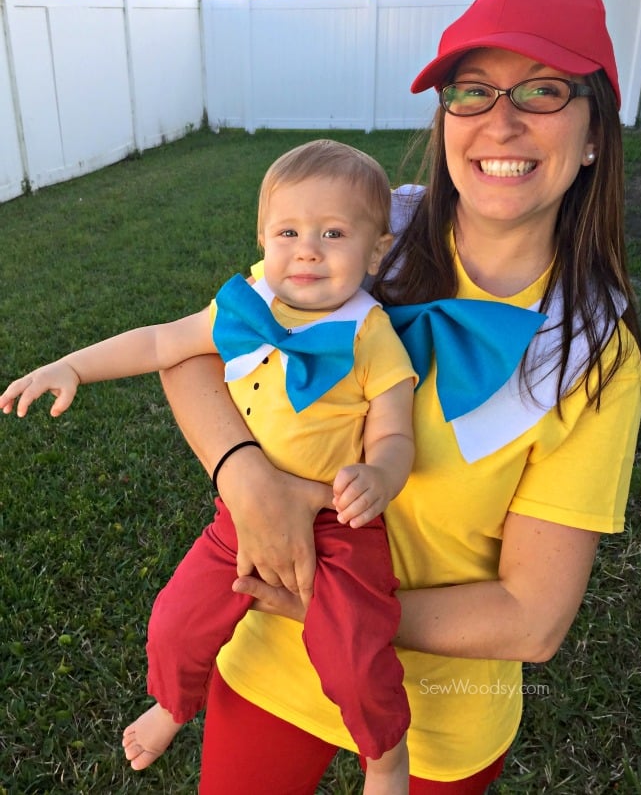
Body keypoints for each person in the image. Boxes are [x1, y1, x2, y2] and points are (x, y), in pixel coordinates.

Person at [155, 0, 641, 794]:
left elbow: (533, 618)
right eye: (473, 90)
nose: (502, 119)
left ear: (595, 133)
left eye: (544, 89)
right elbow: (194, 354)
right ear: (446, 117)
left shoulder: (591, 355)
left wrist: (325, 604)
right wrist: (245, 477)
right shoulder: (365, 241)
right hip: (271, 668)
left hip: (437, 715)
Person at [0, 140, 421, 794]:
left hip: (339, 527)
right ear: (262, 238)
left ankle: (385, 750)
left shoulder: (371, 333)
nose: (307, 249)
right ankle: (173, 702)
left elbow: (395, 429)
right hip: (242, 512)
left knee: (355, 658)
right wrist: (73, 364)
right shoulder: (247, 307)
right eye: (289, 231)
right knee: (174, 621)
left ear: (376, 251)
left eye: (333, 233)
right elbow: (162, 341)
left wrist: (380, 475)